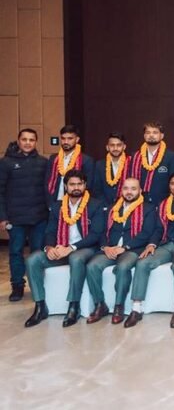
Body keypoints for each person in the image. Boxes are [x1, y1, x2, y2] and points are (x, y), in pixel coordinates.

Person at [24, 169, 106, 327]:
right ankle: (40, 306)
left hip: (86, 248)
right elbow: (50, 231)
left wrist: (71, 247)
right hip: (61, 248)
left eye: (79, 184)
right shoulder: (57, 207)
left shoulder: (95, 205)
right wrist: (49, 248)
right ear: (66, 186)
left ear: (85, 185)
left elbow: (96, 234)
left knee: (76, 258)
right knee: (33, 259)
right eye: (72, 184)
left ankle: (74, 306)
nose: (76, 187)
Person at [123, 172, 174, 328]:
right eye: (173, 184)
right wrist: (152, 244)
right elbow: (158, 229)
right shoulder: (163, 204)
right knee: (142, 262)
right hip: (166, 244)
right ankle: (136, 308)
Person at [85, 177, 156, 325]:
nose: (129, 192)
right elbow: (101, 231)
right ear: (121, 190)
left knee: (123, 267)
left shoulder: (148, 208)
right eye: (126, 188)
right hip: (110, 249)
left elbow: (146, 233)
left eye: (133, 188)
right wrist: (106, 247)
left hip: (132, 249)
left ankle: (119, 306)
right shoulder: (111, 208)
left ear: (140, 190)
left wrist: (124, 248)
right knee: (92, 266)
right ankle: (100, 305)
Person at [0, 128, 48, 301]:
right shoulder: (6, 163)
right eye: (24, 139)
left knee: (38, 253)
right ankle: (17, 286)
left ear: (36, 142)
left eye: (31, 140)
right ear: (18, 141)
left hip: (39, 217)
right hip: (15, 218)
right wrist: (3, 217)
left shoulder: (43, 162)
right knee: (15, 252)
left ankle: (38, 285)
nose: (28, 143)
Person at [129, 121, 174, 206]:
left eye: (155, 132)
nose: (151, 135)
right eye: (148, 133)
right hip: (140, 203)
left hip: (163, 203)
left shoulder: (171, 156)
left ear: (162, 136)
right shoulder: (136, 156)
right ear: (144, 136)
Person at [45, 125, 95, 205]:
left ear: (77, 139)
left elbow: (88, 185)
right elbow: (47, 182)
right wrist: (49, 203)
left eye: (70, 138)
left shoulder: (86, 160)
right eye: (63, 138)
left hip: (75, 203)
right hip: (54, 203)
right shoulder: (53, 159)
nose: (66, 142)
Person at [93, 132, 130, 203]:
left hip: (127, 204)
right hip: (105, 205)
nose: (115, 148)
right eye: (112, 145)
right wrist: (106, 206)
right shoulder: (99, 165)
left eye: (119, 145)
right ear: (107, 147)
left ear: (124, 147)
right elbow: (96, 189)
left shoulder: (130, 163)